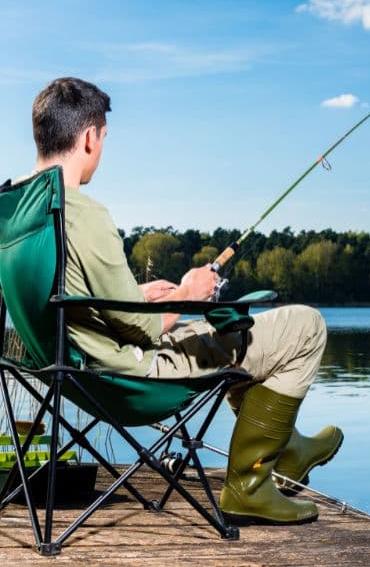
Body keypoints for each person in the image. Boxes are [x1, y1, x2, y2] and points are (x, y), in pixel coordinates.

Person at [30, 76, 342, 525]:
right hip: (132, 379)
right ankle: (251, 483)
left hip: (71, 375)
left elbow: (60, 296)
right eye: (103, 138)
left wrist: (137, 294)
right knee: (304, 327)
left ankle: (286, 449)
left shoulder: (17, 208)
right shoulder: (83, 213)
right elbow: (143, 329)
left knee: (234, 331)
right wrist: (187, 293)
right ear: (89, 137)